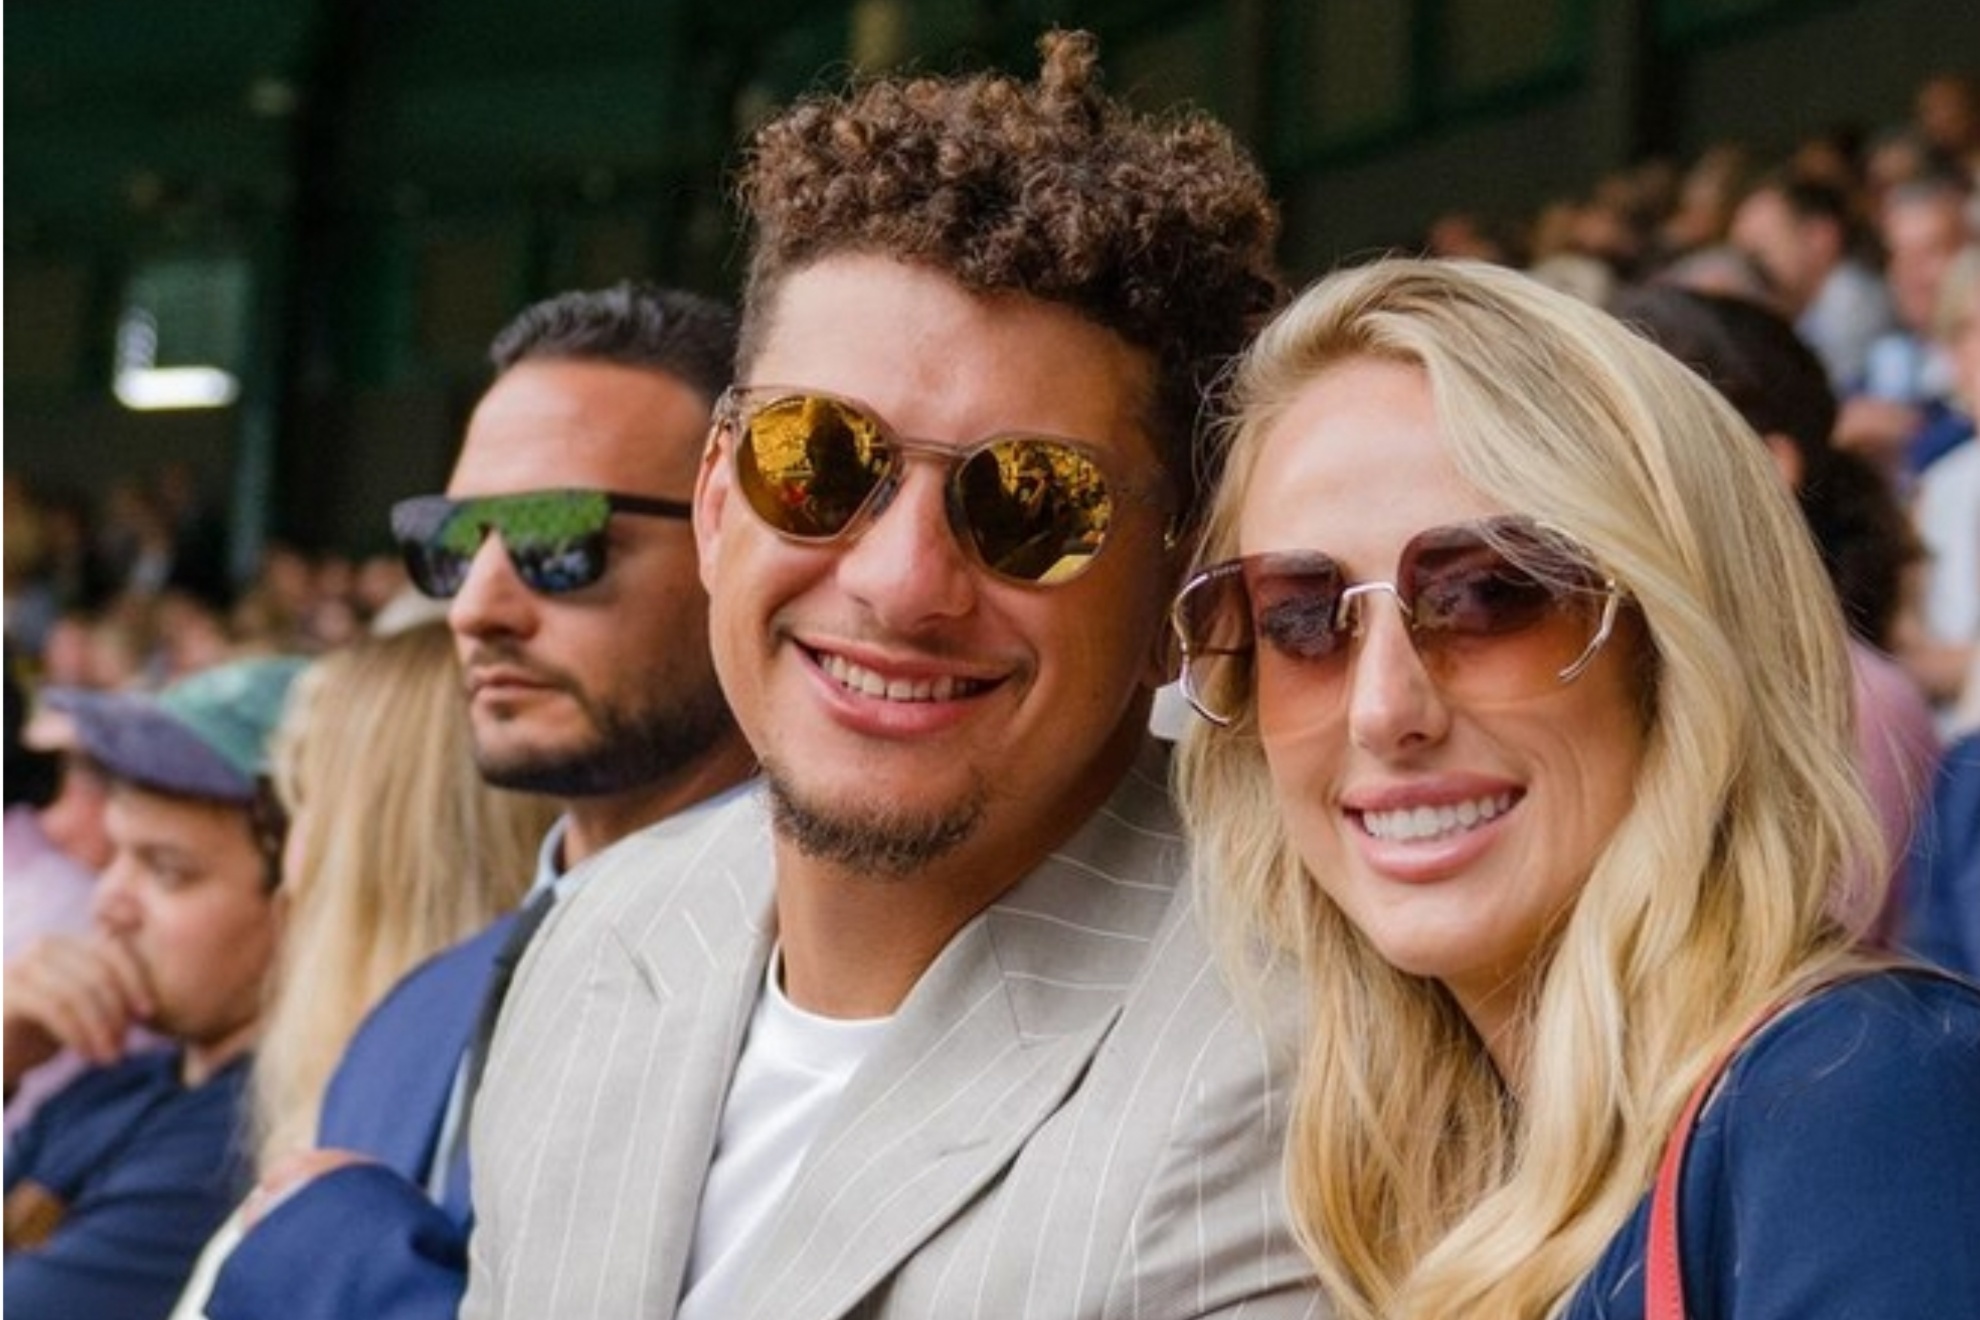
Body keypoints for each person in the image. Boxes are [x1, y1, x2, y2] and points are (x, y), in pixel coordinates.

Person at [462, 30, 1314, 1320]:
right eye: (819, 462)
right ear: (712, 503)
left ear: (1173, 595)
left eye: (1034, 502)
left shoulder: (1301, 1057)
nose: (900, 581)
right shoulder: (595, 937)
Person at [1173, 257, 1980, 1318]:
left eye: (1486, 594)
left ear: (1679, 649)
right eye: (1298, 615)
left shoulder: (1852, 1103)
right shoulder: (1412, 1185)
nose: (1382, 707)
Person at [204, 282, 759, 1320]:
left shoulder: (825, 1005)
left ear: (745, 545)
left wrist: (344, 1264)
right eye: (453, 544)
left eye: (559, 540)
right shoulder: (412, 1018)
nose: (477, 607)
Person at [1612, 282, 1939, 944]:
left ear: (1764, 462)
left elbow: (1777, 974)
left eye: (1631, 446)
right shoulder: (1623, 676)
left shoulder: (1854, 704)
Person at [4, 655, 306, 1320]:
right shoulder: (117, 1082)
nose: (109, 901)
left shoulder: (242, 1140)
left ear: (304, 906)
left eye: (167, 871)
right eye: (115, 856)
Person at [1730, 174, 1894, 389]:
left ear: (1819, 237)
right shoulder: (1811, 306)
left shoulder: (1852, 302)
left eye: (1760, 253)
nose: (1751, 272)